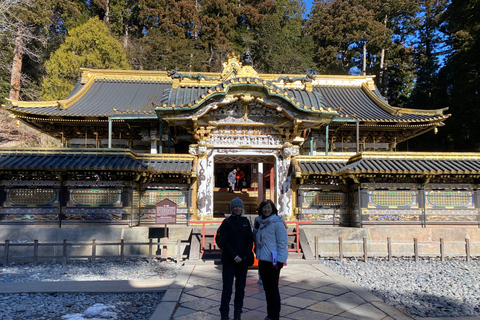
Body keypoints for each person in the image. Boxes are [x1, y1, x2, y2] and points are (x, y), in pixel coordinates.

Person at [218, 197, 254, 320]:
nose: (237, 208)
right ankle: (224, 313)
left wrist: (246, 255)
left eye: (239, 206)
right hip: (229, 260)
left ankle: (238, 312)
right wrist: (235, 256)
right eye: (235, 207)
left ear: (242, 208)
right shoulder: (226, 223)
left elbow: (250, 239)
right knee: (227, 288)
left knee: (240, 289)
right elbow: (224, 241)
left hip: (242, 260)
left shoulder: (245, 221)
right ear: (232, 208)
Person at [253, 200, 288, 320]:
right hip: (263, 260)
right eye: (264, 208)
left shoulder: (278, 223)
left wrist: (280, 260)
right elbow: (256, 238)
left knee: (273, 289)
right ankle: (270, 313)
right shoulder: (260, 222)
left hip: (274, 261)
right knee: (267, 289)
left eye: (268, 208)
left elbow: (282, 243)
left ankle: (275, 315)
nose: (266, 210)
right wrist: (255, 228)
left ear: (272, 209)